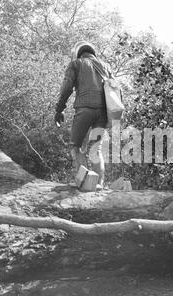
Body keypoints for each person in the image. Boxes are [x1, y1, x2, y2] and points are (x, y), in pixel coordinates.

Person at [54, 40, 112, 190]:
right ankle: (99, 184)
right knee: (95, 149)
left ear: (78, 53)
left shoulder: (76, 64)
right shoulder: (105, 67)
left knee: (75, 146)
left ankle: (83, 181)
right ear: (93, 52)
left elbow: (67, 87)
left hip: (84, 109)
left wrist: (59, 109)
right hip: (104, 112)